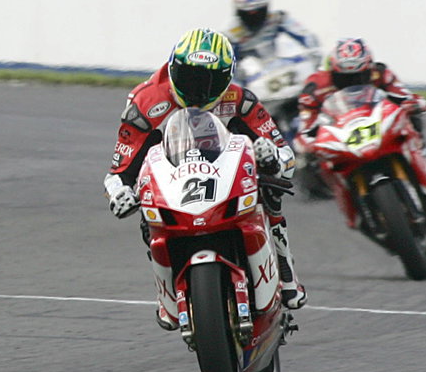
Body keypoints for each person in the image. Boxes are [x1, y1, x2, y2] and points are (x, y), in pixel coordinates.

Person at [104, 28, 307, 330]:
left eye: (210, 81)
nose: (198, 90)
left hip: (227, 173)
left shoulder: (240, 100)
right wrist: (119, 193)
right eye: (190, 78)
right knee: (148, 215)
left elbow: (286, 157)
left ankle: (286, 271)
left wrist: (271, 158)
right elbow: (119, 171)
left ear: (227, 77)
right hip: (174, 179)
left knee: (271, 191)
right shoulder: (146, 105)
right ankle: (166, 295)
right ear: (173, 69)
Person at [294, 38, 426, 203]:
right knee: (308, 163)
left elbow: (403, 96)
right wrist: (307, 144)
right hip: (341, 128)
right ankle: (341, 196)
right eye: (344, 78)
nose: (352, 81)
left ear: (369, 67)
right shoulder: (315, 87)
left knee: (412, 119)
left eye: (360, 76)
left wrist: (414, 104)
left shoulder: (380, 72)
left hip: (376, 118)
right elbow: (306, 124)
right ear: (333, 71)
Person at [226, 0, 320, 65]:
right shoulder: (230, 33)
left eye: (259, 11)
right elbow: (226, 64)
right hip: (251, 78)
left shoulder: (278, 18)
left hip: (280, 66)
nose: (254, 17)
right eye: (248, 13)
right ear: (239, 11)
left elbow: (305, 34)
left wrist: (314, 54)